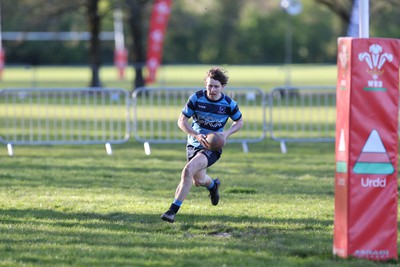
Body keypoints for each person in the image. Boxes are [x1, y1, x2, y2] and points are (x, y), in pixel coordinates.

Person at [161, 67, 244, 223]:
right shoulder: (196, 99)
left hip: (212, 147)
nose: (212, 89)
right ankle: (213, 185)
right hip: (194, 143)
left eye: (216, 86)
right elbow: (181, 121)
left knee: (187, 171)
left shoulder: (228, 104)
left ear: (223, 87)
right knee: (198, 180)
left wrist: (225, 135)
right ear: (205, 84)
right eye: (209, 86)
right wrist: (196, 135)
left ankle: (172, 211)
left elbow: (239, 121)